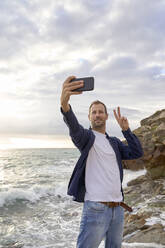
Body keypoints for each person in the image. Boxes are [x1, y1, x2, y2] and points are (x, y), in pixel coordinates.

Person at [60, 76, 143, 248]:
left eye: (100, 112)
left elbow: (136, 152)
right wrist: (64, 104)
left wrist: (126, 130)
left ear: (106, 116)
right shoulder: (85, 138)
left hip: (118, 209)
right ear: (89, 117)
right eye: (94, 112)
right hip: (95, 209)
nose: (97, 115)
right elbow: (73, 126)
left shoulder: (114, 142)